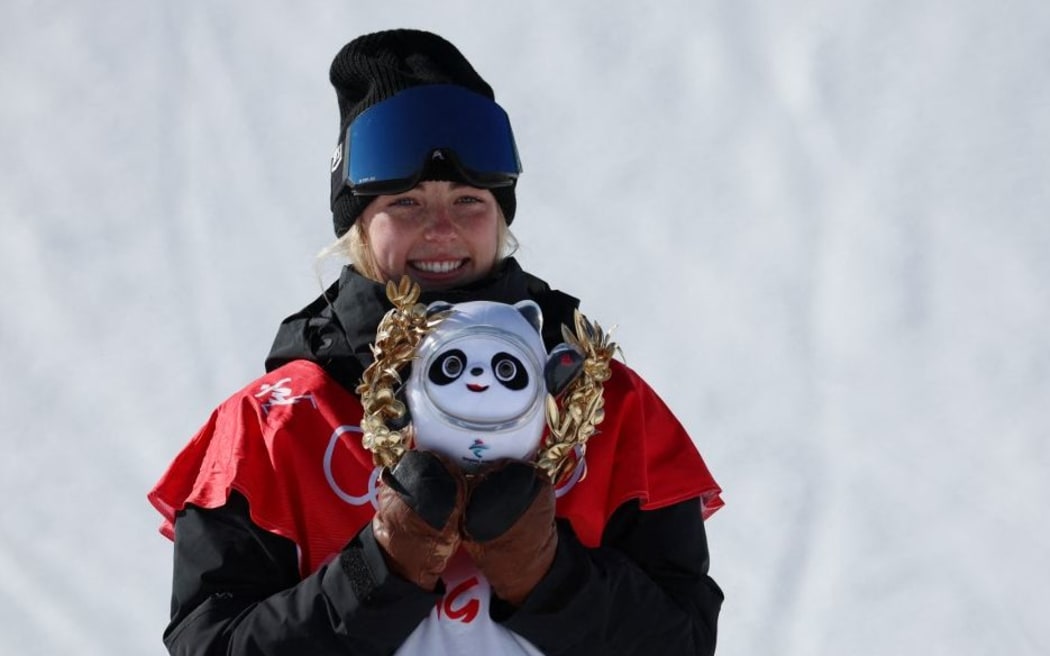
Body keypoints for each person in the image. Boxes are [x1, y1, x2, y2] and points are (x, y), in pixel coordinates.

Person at [148, 29, 725, 656]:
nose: (442, 229)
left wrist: (550, 578)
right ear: (358, 222)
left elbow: (683, 643)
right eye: (406, 202)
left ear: (501, 218)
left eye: (469, 200)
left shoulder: (604, 406)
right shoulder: (276, 425)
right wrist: (375, 573)